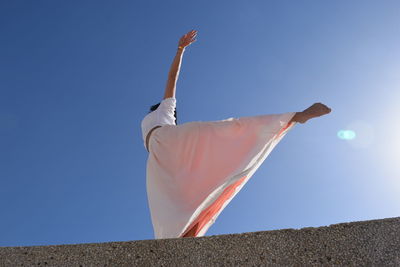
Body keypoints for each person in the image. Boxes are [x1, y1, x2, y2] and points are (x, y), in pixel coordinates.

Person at [141, 30, 331, 239]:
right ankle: (186, 237)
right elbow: (171, 79)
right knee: (175, 201)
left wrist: (180, 50)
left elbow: (171, 80)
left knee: (174, 200)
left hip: (163, 149)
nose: (175, 114)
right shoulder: (166, 112)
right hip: (163, 152)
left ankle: (293, 117)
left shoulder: (161, 115)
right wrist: (179, 50)